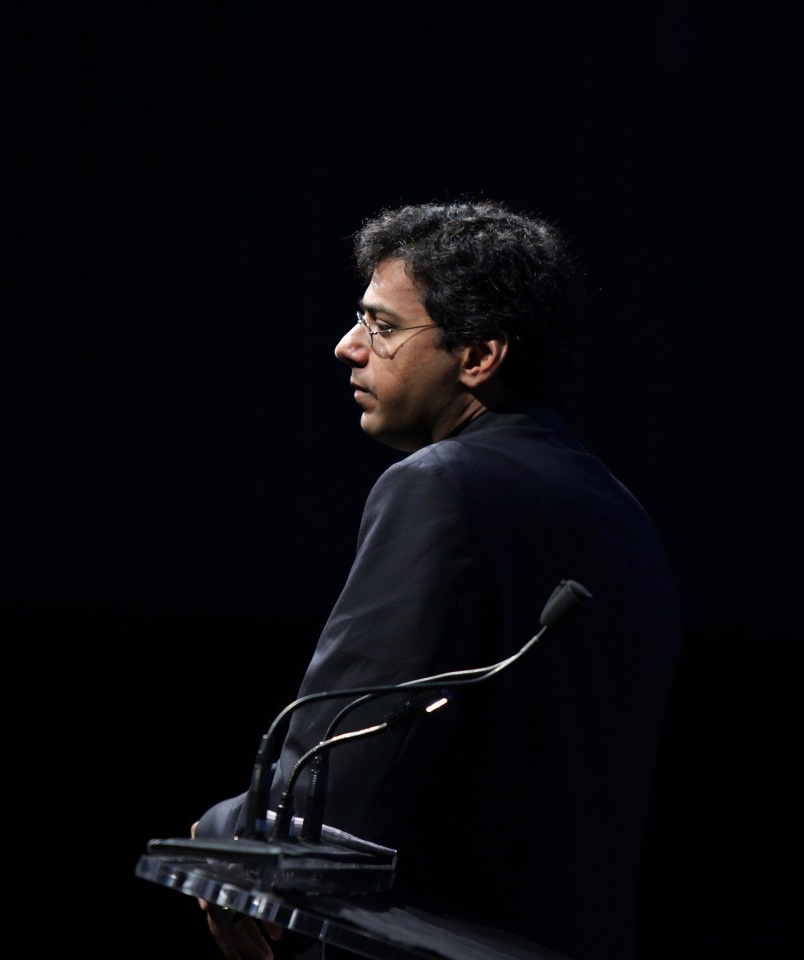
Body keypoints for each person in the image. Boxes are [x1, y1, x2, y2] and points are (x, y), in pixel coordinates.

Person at [191, 201, 679, 960]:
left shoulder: (438, 485)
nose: (348, 346)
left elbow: (338, 772)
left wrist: (227, 836)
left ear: (478, 356)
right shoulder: (621, 512)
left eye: (382, 326)